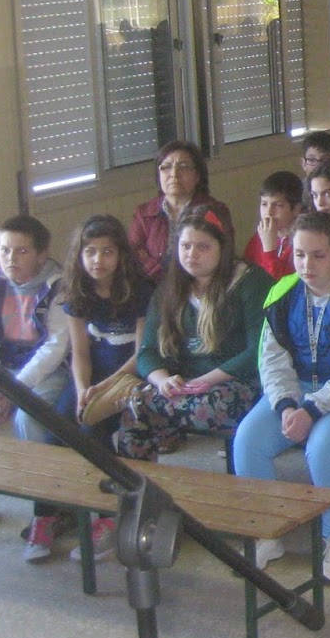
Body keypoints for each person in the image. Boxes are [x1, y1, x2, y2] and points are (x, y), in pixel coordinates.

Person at [228, 211, 330, 582]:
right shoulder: (281, 294)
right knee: (247, 440)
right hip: (297, 388)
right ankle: (267, 531)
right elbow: (272, 361)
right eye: (299, 254)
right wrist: (286, 405)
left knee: (324, 445)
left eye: (318, 255)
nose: (307, 265)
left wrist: (312, 410)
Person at [0, 215, 71, 553]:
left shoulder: (58, 288)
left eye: (21, 251)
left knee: (30, 420)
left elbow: (55, 348)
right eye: (4, 250)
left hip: (46, 374)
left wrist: (13, 392)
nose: (10, 259)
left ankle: (48, 512)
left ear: (41, 254)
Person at [121, 208, 269, 463]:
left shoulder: (250, 281)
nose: (192, 254)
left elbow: (258, 349)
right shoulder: (168, 289)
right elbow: (147, 351)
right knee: (134, 403)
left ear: (222, 248)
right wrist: (163, 381)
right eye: (186, 246)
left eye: (203, 247)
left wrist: (205, 381)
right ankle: (137, 482)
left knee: (208, 407)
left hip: (238, 381)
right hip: (183, 382)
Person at [62, 214, 151, 460]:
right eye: (90, 252)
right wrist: (82, 389)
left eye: (107, 252)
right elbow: (80, 353)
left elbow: (142, 355)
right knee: (58, 426)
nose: (98, 260)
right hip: (96, 373)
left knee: (91, 428)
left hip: (130, 375)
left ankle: (116, 477)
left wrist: (102, 389)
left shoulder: (141, 292)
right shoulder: (77, 293)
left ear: (121, 255)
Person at [129, 141, 235, 280]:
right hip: (154, 285)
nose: (174, 174)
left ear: (197, 176)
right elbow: (133, 255)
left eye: (183, 167)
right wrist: (163, 274)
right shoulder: (144, 213)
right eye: (166, 167)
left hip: (201, 283)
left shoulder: (215, 211)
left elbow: (224, 256)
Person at [243, 171, 302, 281]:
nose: (269, 212)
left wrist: (269, 249)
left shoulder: (301, 241)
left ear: (296, 209)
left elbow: (279, 283)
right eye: (264, 204)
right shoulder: (258, 238)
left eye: (278, 205)